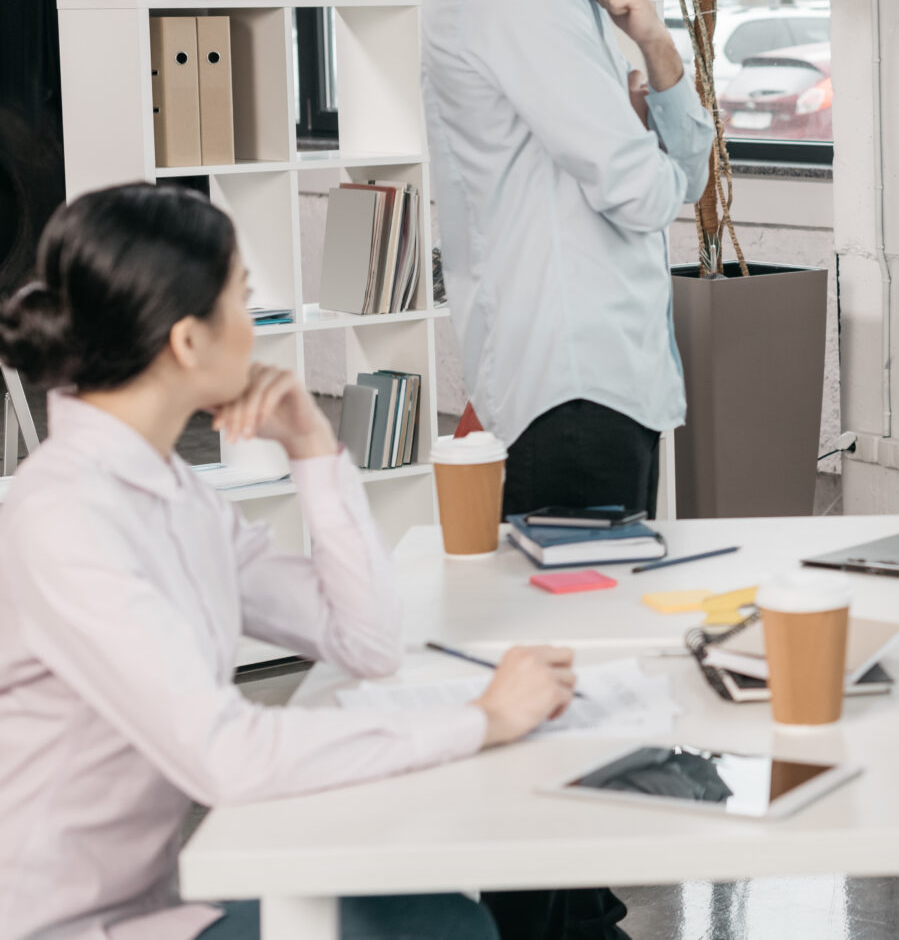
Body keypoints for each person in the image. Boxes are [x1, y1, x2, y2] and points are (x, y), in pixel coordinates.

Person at [0, 184, 577, 940]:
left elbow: (364, 640)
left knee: (442, 918)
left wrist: (312, 446)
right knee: (444, 931)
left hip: (160, 901)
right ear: (187, 341)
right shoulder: (66, 518)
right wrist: (481, 719)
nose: (255, 322)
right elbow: (227, 755)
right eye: (242, 298)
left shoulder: (171, 491)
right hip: (63, 925)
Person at [388, 0, 715, 520]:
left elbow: (685, 173)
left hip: (599, 383)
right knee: (579, 638)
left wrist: (658, 44)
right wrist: (651, 149)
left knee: (603, 631)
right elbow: (645, 195)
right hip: (571, 395)